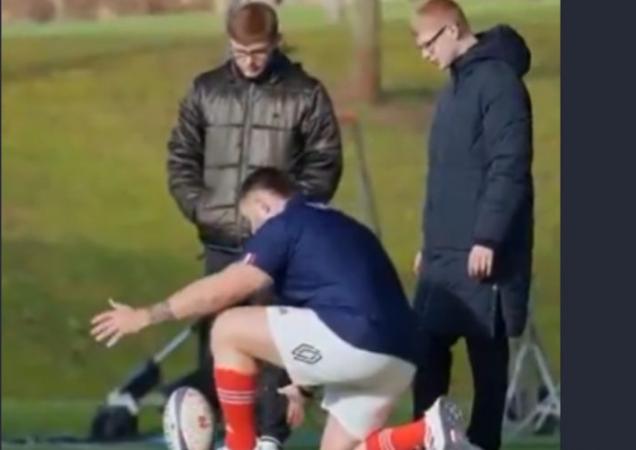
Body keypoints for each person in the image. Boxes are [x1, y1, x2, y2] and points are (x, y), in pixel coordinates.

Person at [91, 168, 479, 450]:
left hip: (355, 341)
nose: (254, 233)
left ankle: (239, 445)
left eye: (251, 221)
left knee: (227, 328)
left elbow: (225, 288)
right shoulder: (344, 227)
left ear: (263, 203)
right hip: (399, 357)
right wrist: (298, 387)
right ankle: (426, 433)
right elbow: (335, 307)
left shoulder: (286, 224)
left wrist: (147, 315)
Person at [165, 3, 342, 449]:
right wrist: (204, 211)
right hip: (221, 244)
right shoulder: (205, 91)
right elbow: (181, 158)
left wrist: (285, 219)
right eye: (241, 51)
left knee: (275, 345)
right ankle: (230, 434)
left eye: (259, 51)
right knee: (219, 348)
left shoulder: (306, 94)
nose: (250, 60)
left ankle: (270, 437)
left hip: (280, 250)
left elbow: (325, 165)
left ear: (277, 43)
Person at [409, 1, 535, 449]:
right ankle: (427, 441)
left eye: (426, 43)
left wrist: (488, 236)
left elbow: (510, 165)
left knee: (488, 369)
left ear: (451, 29)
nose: (424, 54)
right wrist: (429, 243)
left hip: (486, 258)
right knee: (425, 358)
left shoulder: (499, 84)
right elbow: (442, 175)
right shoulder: (453, 91)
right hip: (443, 258)